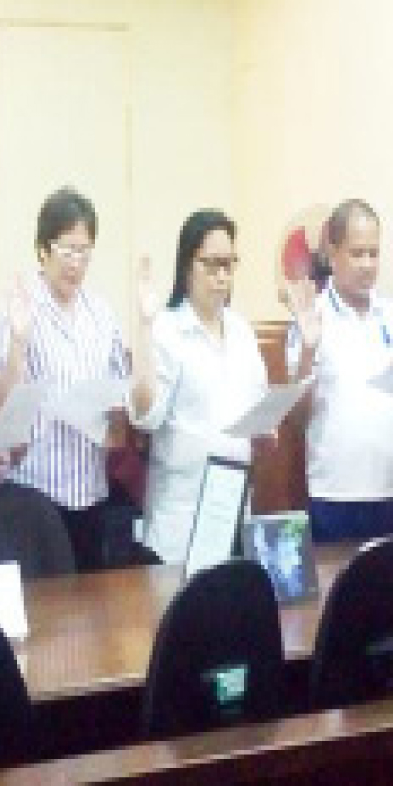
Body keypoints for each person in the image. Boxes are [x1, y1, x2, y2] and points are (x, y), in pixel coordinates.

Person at [0, 186, 158, 571]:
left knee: (88, 601)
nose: (76, 263)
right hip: (34, 492)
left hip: (90, 491)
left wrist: (116, 414)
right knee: (44, 604)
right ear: (43, 250)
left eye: (84, 251)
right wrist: (18, 341)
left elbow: (127, 397)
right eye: (67, 250)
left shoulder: (101, 314)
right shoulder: (20, 310)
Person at [131, 208, 267, 564]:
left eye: (229, 264)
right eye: (212, 265)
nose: (222, 276)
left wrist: (266, 426)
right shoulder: (167, 330)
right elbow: (145, 417)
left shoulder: (241, 331)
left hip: (235, 505)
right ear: (188, 265)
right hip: (181, 515)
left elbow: (258, 405)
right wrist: (143, 328)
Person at [282, 199, 393, 545]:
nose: (367, 265)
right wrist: (308, 349)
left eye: (374, 253)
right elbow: (296, 418)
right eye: (357, 254)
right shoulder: (311, 317)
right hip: (333, 497)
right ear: (332, 253)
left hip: (389, 493)